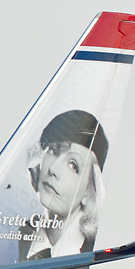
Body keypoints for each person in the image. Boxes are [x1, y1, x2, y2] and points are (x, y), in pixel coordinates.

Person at [18, 109, 108, 261]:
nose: (53, 169)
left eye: (73, 165)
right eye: (53, 151)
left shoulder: (88, 254)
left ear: (90, 189)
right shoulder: (17, 235)